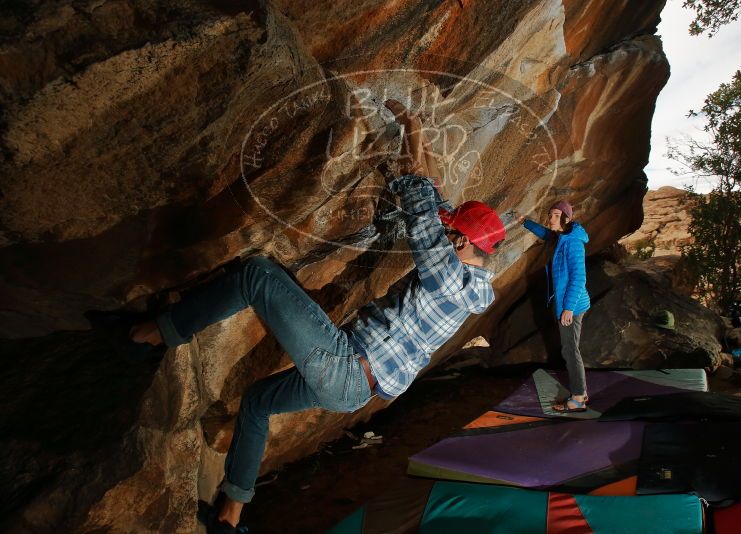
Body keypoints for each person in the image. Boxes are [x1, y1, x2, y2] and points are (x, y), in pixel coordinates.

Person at [130, 100, 505, 533]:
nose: (447, 231)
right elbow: (434, 195)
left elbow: (424, 210)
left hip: (345, 365)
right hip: (351, 389)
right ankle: (230, 518)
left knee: (258, 275)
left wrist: (415, 157)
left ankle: (155, 335)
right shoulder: (465, 270)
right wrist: (413, 128)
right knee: (256, 402)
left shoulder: (450, 284)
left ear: (462, 241)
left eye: (453, 231)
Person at [518, 201, 590, 412]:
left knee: (570, 350)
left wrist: (567, 308)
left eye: (555, 215)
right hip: (568, 302)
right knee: (570, 349)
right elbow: (545, 233)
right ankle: (581, 392)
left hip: (573, 305)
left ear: (566, 218)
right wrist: (524, 222)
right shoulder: (560, 237)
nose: (550, 219)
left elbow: (579, 278)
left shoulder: (573, 243)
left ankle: (578, 398)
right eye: (550, 214)